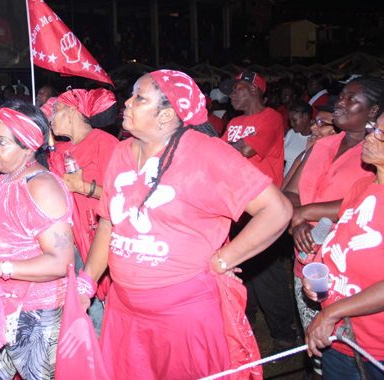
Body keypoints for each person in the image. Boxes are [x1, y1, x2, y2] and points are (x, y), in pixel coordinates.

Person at [80, 70, 292, 379]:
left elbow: (278, 210)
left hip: (182, 315)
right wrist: (87, 281)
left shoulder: (206, 152)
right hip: (124, 308)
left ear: (166, 115)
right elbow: (108, 223)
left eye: (139, 97)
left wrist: (223, 260)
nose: (127, 102)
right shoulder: (122, 151)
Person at [283, 75, 384, 378]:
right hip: (315, 270)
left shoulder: (368, 166)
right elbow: (290, 191)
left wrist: (304, 213)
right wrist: (297, 223)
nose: (340, 102)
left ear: (374, 111)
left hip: (367, 324)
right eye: (342, 96)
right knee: (321, 355)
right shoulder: (325, 148)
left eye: (352, 99)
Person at [0, 101, 75, 380]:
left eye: (3, 142)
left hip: (35, 314)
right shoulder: (5, 179)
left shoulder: (42, 186)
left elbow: (62, 261)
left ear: (28, 147)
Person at [220, 72, 298, 356]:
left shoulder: (271, 118)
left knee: (266, 271)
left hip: (262, 209)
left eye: (236, 88)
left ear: (253, 89)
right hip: (235, 205)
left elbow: (245, 149)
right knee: (241, 267)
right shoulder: (234, 123)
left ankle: (284, 332)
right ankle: (248, 321)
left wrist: (216, 147)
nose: (231, 95)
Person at [47, 87, 118, 332]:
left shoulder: (105, 143)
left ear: (72, 111)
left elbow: (125, 196)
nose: (51, 117)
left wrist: (83, 187)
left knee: (105, 321)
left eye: (55, 110)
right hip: (74, 246)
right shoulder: (60, 151)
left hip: (102, 245)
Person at [284, 100, 314, 175]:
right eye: (290, 121)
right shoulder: (291, 133)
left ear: (306, 117)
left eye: (294, 120)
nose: (291, 124)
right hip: (286, 180)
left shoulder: (315, 137)